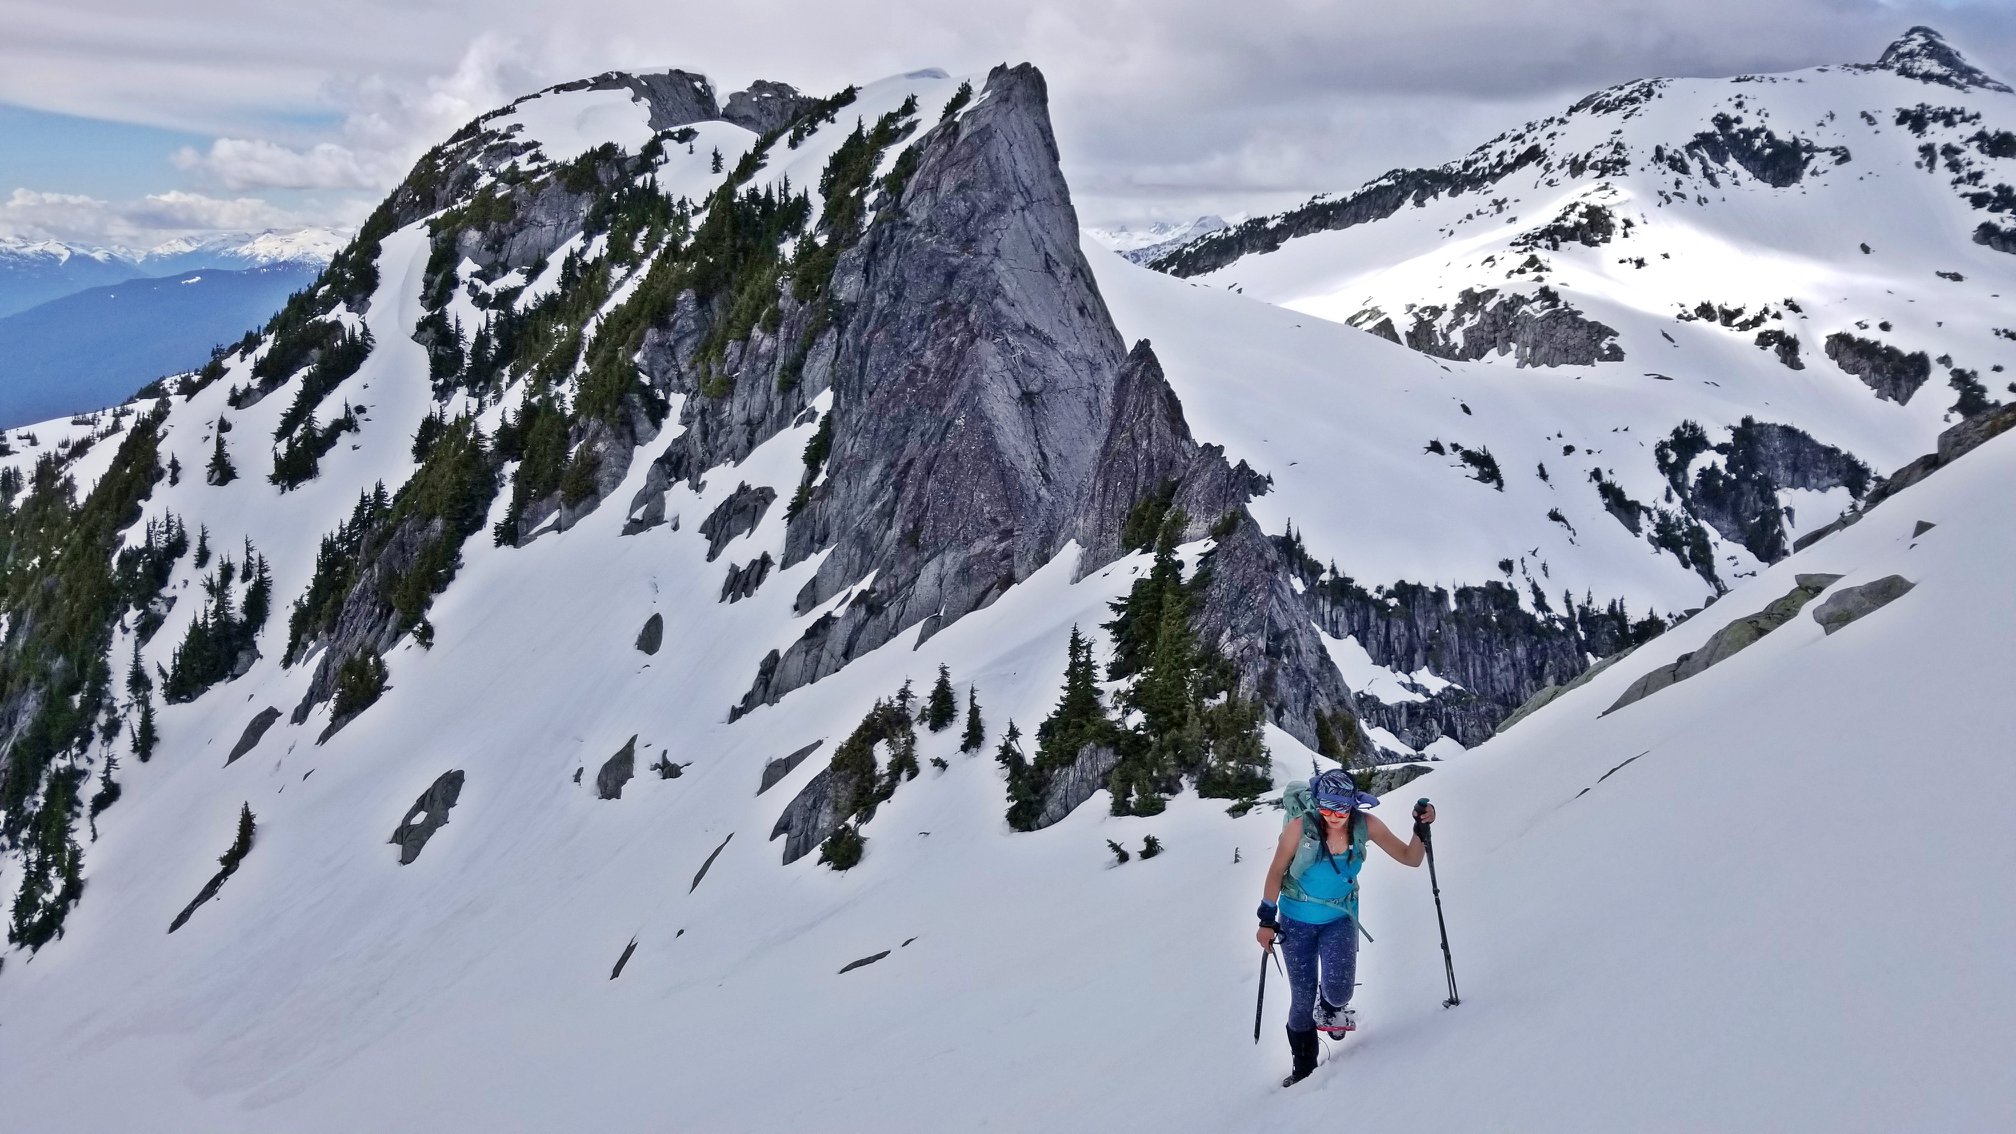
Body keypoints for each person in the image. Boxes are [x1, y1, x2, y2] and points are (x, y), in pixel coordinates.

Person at [1255, 769, 1435, 1087]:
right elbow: (1276, 871)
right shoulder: (1300, 827)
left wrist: (1421, 828)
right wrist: (1266, 921)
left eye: (1340, 808)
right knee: (1300, 998)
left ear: (1353, 804)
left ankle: (1328, 1007)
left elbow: (1410, 858)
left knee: (1339, 992)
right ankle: (1304, 1069)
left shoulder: (1366, 826)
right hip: (1295, 922)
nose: (1333, 815)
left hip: (1339, 917)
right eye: (1325, 807)